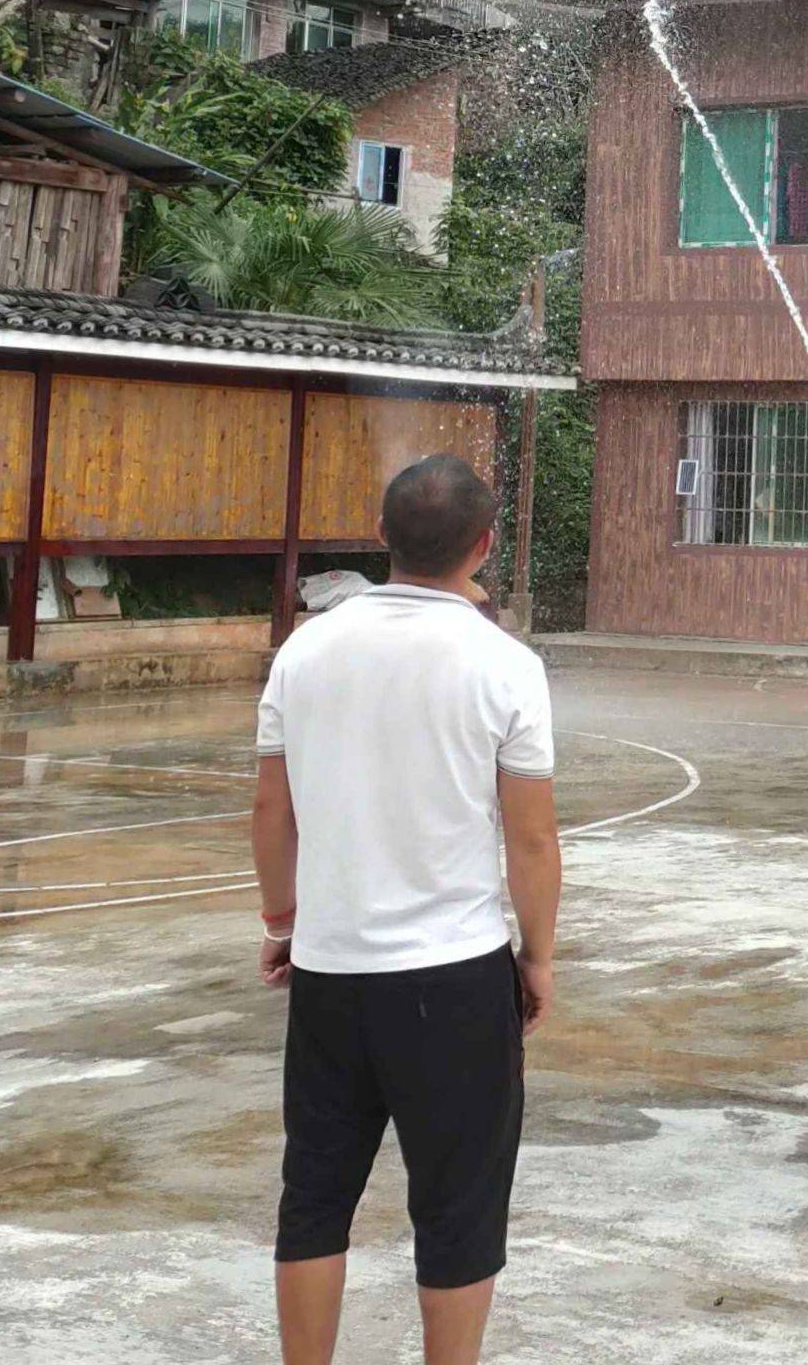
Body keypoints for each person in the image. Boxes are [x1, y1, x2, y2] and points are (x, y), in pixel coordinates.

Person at [252, 456, 561, 1365]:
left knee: (314, 1191)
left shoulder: (304, 650)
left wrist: (283, 922)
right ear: (485, 545)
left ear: (380, 536)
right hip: (455, 973)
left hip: (331, 969)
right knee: (458, 1202)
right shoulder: (505, 664)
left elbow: (273, 810)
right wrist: (536, 958)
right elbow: (532, 842)